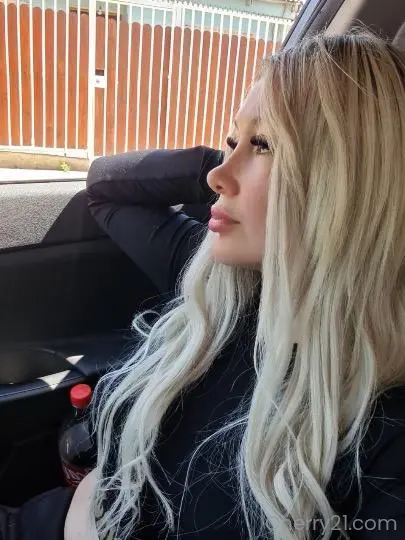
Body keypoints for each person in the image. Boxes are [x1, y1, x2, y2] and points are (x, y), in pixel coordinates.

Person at [65, 30, 405, 540]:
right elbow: (105, 186)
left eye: (265, 144)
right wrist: (232, 160)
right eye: (230, 141)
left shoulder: (385, 441)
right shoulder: (226, 281)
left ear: (350, 183)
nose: (215, 178)